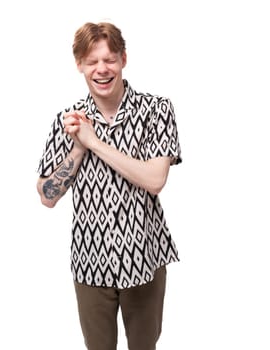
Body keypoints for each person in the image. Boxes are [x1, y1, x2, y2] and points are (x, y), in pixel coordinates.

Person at [36, 21, 182, 350]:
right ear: (80, 66)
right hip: (90, 261)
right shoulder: (68, 121)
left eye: (109, 59)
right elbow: (47, 195)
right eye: (92, 61)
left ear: (123, 59)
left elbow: (155, 179)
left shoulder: (157, 110)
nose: (102, 69)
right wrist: (78, 147)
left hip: (144, 257)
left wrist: (94, 141)